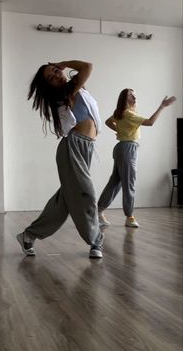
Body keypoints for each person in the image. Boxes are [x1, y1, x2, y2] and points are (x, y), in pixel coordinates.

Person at [17, 60, 104, 258]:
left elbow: (86, 66)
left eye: (56, 71)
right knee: (86, 193)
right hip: (72, 146)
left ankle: (28, 236)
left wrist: (61, 64)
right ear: (48, 85)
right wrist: (62, 64)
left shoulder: (78, 89)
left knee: (64, 200)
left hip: (86, 147)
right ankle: (96, 241)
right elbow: (88, 67)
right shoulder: (67, 93)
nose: (56, 75)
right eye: (51, 77)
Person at [98, 88, 176, 228]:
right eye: (130, 94)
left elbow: (108, 122)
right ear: (124, 98)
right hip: (128, 149)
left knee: (115, 182)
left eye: (135, 94)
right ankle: (129, 216)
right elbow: (150, 122)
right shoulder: (128, 114)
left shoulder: (121, 113)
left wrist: (120, 131)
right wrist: (162, 106)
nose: (134, 96)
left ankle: (98, 211)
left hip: (121, 148)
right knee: (129, 183)